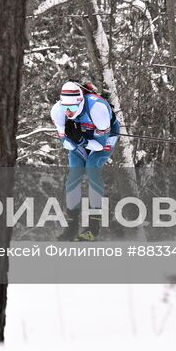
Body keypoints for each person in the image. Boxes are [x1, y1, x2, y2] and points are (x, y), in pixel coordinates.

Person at [52, 80, 119, 240]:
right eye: (65, 108)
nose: (68, 112)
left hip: (104, 138)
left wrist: (82, 140)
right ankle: (72, 227)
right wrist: (73, 138)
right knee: (73, 177)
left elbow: (99, 146)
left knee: (92, 168)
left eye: (72, 108)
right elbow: (67, 144)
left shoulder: (98, 109)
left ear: (80, 102)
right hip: (82, 139)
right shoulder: (57, 111)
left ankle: (93, 228)